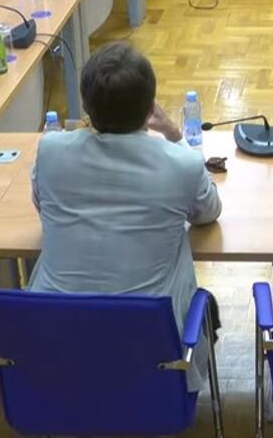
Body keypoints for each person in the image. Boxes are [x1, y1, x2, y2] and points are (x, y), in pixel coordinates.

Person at [28, 43, 222, 389]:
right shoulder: (181, 164)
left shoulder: (50, 150)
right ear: (150, 108)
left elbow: (43, 205)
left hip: (55, 350)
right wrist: (175, 135)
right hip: (149, 354)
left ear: (86, 106)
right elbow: (209, 212)